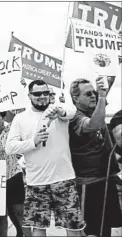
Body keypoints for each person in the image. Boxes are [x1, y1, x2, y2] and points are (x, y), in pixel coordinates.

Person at [5, 80, 85, 237]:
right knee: (38, 229)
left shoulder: (58, 111)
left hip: (64, 179)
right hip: (36, 182)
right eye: (37, 94)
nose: (42, 96)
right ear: (29, 96)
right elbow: (10, 147)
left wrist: (60, 112)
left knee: (73, 228)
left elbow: (72, 111)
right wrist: (33, 142)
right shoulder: (20, 118)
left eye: (45, 93)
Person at [69, 77, 122, 237]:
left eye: (94, 93)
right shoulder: (75, 117)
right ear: (75, 98)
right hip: (88, 184)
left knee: (108, 229)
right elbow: (94, 124)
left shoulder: (95, 108)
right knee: (91, 231)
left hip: (107, 179)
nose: (93, 96)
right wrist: (102, 97)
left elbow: (107, 85)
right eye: (88, 94)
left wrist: (114, 62)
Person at [0, 111, 24, 237]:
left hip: (13, 174)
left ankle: (22, 233)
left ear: (3, 117)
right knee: (1, 212)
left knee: (18, 211)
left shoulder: (12, 129)